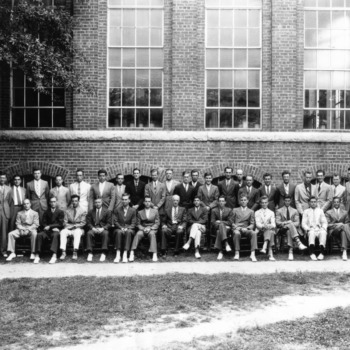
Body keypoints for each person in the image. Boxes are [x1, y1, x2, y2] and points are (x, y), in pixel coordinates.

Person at [275, 195, 307, 261]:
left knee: (289, 231)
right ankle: (299, 242)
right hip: (282, 229)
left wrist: (290, 224)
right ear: (284, 201)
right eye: (286, 201)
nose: (287, 202)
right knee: (290, 225)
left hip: (292, 230)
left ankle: (290, 252)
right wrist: (286, 223)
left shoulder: (295, 211)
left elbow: (297, 223)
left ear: (291, 201)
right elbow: (277, 223)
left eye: (288, 201)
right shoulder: (279, 211)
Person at [35, 196, 64, 264]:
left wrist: (50, 226)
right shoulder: (46, 212)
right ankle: (37, 255)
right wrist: (47, 227)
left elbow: (60, 224)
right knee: (39, 235)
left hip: (56, 231)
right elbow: (43, 223)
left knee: (55, 235)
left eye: (54, 202)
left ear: (56, 202)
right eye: (51, 202)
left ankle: (54, 255)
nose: (53, 203)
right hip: (47, 231)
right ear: (49, 203)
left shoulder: (60, 212)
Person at [130, 196, 160, 262]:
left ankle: (154, 253)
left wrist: (150, 228)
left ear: (151, 202)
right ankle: (132, 252)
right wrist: (143, 229)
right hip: (143, 229)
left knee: (152, 234)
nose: (147, 203)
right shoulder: (140, 212)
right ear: (143, 202)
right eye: (146, 201)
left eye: (149, 201)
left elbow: (157, 223)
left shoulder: (155, 211)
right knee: (138, 234)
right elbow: (138, 224)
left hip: (152, 229)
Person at [59, 194, 86, 260]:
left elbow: (83, 223)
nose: (74, 202)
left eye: (76, 201)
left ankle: (75, 251)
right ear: (71, 202)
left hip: (78, 228)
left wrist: (75, 226)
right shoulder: (67, 210)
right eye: (73, 201)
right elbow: (65, 222)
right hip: (68, 228)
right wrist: (69, 227)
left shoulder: (82, 210)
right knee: (63, 232)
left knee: (77, 232)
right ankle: (63, 251)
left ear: (78, 201)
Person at [231, 194, 257, 262]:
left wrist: (247, 228)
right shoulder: (235, 210)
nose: (243, 201)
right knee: (236, 234)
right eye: (242, 200)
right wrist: (236, 227)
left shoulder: (251, 211)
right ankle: (237, 252)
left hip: (246, 229)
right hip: (237, 228)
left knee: (253, 233)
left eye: (245, 200)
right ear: (239, 201)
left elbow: (252, 224)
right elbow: (231, 221)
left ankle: (253, 253)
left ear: (247, 201)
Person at [86, 197, 112, 262]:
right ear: (94, 203)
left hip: (102, 228)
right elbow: (88, 223)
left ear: (102, 202)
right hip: (94, 228)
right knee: (89, 233)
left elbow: (109, 223)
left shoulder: (107, 211)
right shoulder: (91, 211)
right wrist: (92, 228)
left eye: (99, 202)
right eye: (96, 202)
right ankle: (90, 252)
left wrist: (103, 228)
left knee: (106, 233)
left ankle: (103, 252)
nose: (97, 204)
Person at [302, 196, 328, 261]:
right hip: (310, 229)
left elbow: (324, 222)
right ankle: (312, 253)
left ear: (316, 202)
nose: (313, 203)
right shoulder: (306, 211)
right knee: (312, 233)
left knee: (323, 232)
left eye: (314, 202)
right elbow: (303, 223)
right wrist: (307, 229)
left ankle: (322, 253)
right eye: (311, 202)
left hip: (319, 229)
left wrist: (323, 228)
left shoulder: (320, 211)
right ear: (309, 203)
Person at [113, 193, 137, 263]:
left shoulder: (133, 210)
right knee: (118, 232)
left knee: (128, 232)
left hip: (129, 229)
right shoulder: (117, 209)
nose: (124, 201)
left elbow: (134, 223)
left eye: (126, 199)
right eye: (123, 199)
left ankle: (125, 253)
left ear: (129, 200)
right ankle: (118, 254)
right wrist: (121, 228)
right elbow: (115, 221)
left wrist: (127, 228)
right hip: (119, 228)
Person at [325, 197, 350, 261]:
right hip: (333, 231)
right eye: (335, 202)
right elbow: (327, 225)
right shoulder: (328, 212)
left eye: (337, 202)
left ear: (340, 203)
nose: (336, 203)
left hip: (343, 230)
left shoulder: (345, 212)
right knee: (342, 226)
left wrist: (341, 225)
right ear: (333, 203)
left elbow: (348, 223)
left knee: (343, 231)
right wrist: (338, 225)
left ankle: (344, 252)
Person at [211, 195, 233, 260]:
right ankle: (226, 244)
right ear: (218, 202)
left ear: (225, 202)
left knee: (220, 230)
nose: (221, 202)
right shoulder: (214, 210)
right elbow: (213, 222)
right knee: (219, 230)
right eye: (220, 201)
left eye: (222, 201)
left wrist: (220, 222)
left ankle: (220, 252)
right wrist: (221, 224)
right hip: (216, 228)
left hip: (227, 228)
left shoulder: (229, 210)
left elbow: (230, 222)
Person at [255, 195, 276, 261]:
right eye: (262, 202)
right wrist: (264, 226)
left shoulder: (271, 212)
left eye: (265, 202)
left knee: (270, 231)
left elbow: (273, 224)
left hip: (268, 230)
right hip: (260, 230)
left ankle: (265, 245)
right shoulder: (257, 212)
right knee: (271, 232)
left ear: (268, 203)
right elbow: (257, 224)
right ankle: (270, 252)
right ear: (260, 203)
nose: (264, 204)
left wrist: (269, 225)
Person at [0, 173, 11, 258]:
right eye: (0, 178)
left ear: (6, 179)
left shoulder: (9, 189)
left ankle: (3, 250)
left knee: (4, 232)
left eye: (4, 178)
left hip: (5, 211)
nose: (2, 179)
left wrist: (6, 209)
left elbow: (10, 201)